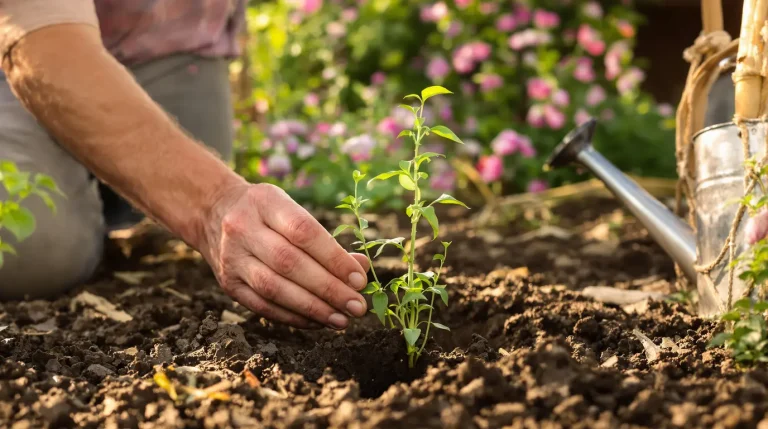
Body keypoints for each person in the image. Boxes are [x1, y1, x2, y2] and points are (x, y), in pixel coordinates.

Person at [0, 0, 370, 331]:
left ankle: (87, 191)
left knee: (197, 149)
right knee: (36, 249)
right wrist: (212, 203)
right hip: (31, 38)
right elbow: (44, 45)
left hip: (163, 38)